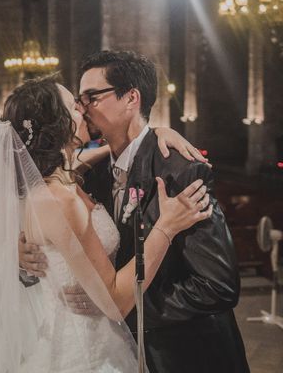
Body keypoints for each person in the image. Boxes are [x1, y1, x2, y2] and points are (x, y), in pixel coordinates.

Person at [19, 53, 248, 372]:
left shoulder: (179, 172)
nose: (82, 107)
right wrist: (28, 254)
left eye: (91, 97)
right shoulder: (86, 177)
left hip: (184, 357)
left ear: (131, 98)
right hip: (103, 352)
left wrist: (117, 308)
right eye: (78, 100)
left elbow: (217, 285)